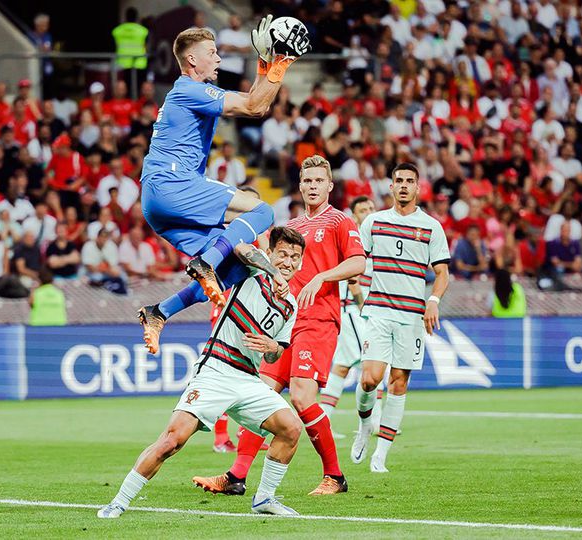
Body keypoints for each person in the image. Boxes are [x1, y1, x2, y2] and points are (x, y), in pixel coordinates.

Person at [97, 227, 306, 518]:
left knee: (291, 429)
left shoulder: (290, 305)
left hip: (248, 378)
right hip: (216, 370)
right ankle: (118, 501)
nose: (289, 261)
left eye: (295, 257)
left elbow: (275, 353)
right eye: (282, 254)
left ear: (302, 263)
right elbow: (242, 248)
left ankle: (265, 499)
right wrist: (273, 272)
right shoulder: (251, 273)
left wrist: (272, 346)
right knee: (172, 440)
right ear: (270, 254)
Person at [193, 155, 366, 496]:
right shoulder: (291, 229)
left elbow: (358, 262)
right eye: (307, 181)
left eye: (319, 181)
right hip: (284, 324)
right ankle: (237, 476)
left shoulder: (339, 222)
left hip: (318, 320)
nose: (312, 186)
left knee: (302, 398)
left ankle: (335, 476)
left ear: (329, 186)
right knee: (261, 397)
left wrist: (322, 277)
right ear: (300, 185)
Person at [139, 21, 310, 310]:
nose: (219, 58)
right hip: (173, 183)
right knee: (263, 210)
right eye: (212, 52)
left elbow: (257, 102)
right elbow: (255, 107)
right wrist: (282, 63)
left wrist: (266, 63)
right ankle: (206, 262)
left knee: (237, 266)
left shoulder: (192, 93)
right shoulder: (189, 90)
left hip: (158, 202)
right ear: (192, 60)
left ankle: (160, 312)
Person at [351, 162, 450, 473]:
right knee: (370, 378)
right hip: (378, 311)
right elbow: (357, 261)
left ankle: (381, 455)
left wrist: (433, 300)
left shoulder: (432, 227)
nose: (404, 185)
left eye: (410, 181)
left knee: (399, 382)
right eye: (399, 181)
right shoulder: (374, 222)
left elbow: (442, 273)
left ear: (418, 188)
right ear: (390, 187)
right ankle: (364, 425)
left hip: (411, 315)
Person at [319, 196, 383, 433]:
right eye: (363, 209)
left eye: (372, 207)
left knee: (343, 366)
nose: (369, 211)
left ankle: (323, 421)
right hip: (354, 311)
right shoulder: (352, 238)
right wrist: (364, 307)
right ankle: (374, 422)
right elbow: (353, 280)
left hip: (353, 311)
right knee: (372, 362)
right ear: (354, 215)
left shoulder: (373, 238)